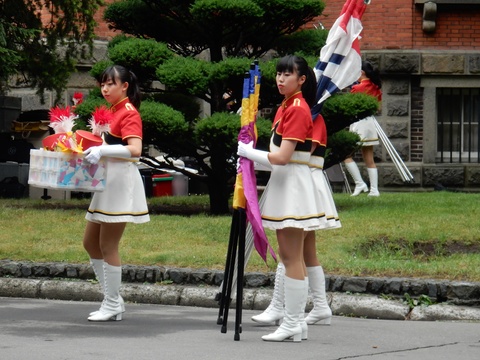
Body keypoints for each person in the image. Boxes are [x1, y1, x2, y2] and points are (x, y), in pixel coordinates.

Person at [238, 55, 325, 342]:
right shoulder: (285, 107)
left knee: (290, 257)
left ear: (302, 79)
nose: (280, 79)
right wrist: (248, 158)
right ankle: (296, 323)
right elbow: (278, 160)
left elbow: (282, 158)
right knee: (291, 257)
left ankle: (292, 323)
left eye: (288, 74)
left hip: (293, 188)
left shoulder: (298, 109)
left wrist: (248, 152)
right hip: (287, 185)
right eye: (278, 74)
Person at [250, 116, 341, 331]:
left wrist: (253, 156)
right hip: (301, 182)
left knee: (291, 250)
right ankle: (318, 306)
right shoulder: (293, 112)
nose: (281, 80)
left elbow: (294, 157)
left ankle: (283, 310)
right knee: (305, 251)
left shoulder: (310, 117)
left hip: (303, 184)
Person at [82, 65, 150, 322]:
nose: (105, 88)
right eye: (103, 84)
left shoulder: (129, 112)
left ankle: (111, 303)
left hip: (120, 182)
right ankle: (113, 298)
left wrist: (103, 150)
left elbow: (135, 150)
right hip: (105, 181)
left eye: (111, 83)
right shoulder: (110, 111)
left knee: (107, 244)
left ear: (125, 86)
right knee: (90, 243)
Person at [344, 61, 382, 197]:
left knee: (346, 155)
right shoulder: (376, 87)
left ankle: (360, 183)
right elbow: (378, 108)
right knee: (369, 158)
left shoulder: (357, 88)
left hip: (359, 123)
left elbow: (350, 107)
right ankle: (374, 190)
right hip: (370, 122)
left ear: (361, 73)